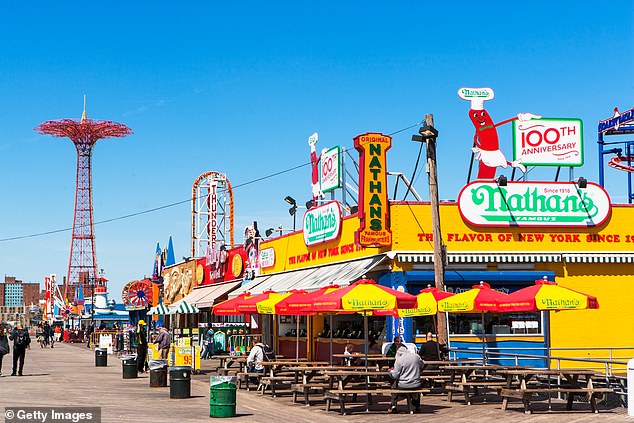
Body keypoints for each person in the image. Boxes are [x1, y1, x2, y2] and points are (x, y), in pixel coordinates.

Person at [388, 344, 424, 413]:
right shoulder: (416, 357)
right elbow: (422, 365)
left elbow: (395, 376)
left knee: (394, 385)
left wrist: (390, 372)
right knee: (418, 385)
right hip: (416, 384)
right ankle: (417, 406)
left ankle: (393, 406)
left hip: (403, 384)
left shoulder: (399, 360)